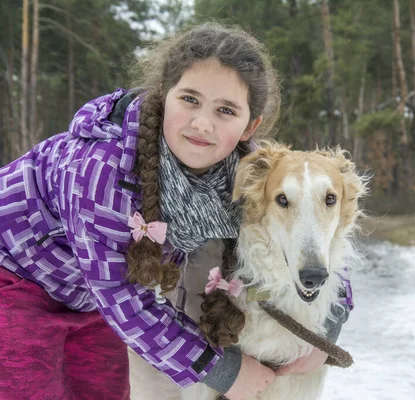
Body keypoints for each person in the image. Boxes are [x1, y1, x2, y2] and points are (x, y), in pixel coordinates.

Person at [0, 22, 353, 400]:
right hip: (15, 278)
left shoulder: (251, 171)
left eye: (226, 109)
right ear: (163, 96)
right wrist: (222, 370)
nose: (203, 123)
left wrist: (327, 325)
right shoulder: (102, 172)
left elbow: (315, 231)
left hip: (87, 295)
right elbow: (123, 297)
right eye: (189, 99)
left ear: (250, 125)